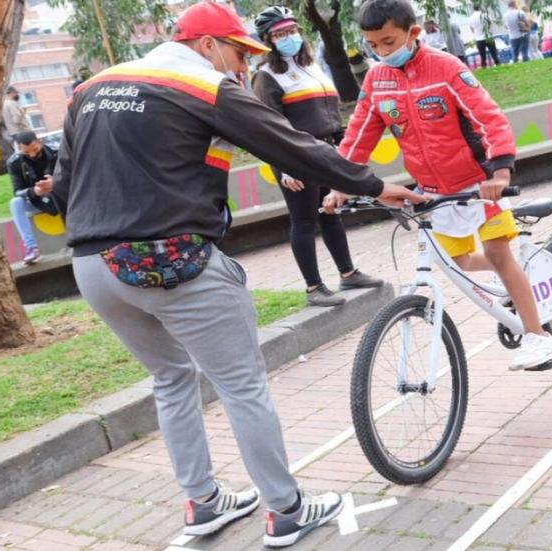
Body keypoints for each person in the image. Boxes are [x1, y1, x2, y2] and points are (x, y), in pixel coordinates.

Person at [50, 1, 425, 546]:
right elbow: (289, 144)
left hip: (93, 265)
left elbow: (63, 185)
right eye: (238, 53)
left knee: (171, 379)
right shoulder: (202, 85)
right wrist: (370, 184)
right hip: (172, 258)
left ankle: (202, 503)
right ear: (207, 45)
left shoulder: (91, 89)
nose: (242, 67)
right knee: (241, 385)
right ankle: (287, 508)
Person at [329, 0, 552, 371]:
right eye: (373, 45)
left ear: (413, 32)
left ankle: (538, 338)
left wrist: (500, 172)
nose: (382, 52)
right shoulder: (376, 81)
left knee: (499, 254)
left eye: (389, 42)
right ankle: (518, 279)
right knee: (461, 261)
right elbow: (359, 136)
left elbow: (488, 118)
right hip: (434, 192)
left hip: (478, 184)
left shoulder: (446, 68)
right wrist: (340, 183)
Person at [251, 6, 383, 306]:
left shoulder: (312, 67)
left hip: (324, 152)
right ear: (268, 40)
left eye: (292, 30)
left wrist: (344, 149)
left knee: (330, 212)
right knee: (304, 220)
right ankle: (314, 288)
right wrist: (285, 167)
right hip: (295, 157)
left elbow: (329, 114)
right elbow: (267, 127)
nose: (289, 37)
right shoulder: (266, 76)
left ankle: (348, 274)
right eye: (280, 34)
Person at [7, 131, 58, 265]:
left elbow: (75, 177)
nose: (32, 155)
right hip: (36, 199)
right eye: (26, 152)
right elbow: (17, 191)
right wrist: (34, 191)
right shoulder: (14, 162)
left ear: (39, 142)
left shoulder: (56, 152)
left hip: (63, 196)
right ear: (19, 149)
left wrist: (56, 183)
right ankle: (31, 248)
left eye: (35, 150)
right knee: (15, 203)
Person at [1, 86, 30, 152]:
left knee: (22, 150)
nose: (17, 95)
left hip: (13, 132)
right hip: (20, 131)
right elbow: (17, 119)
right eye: (16, 93)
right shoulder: (12, 103)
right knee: (28, 150)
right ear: (11, 93)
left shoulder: (4, 104)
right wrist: (22, 112)